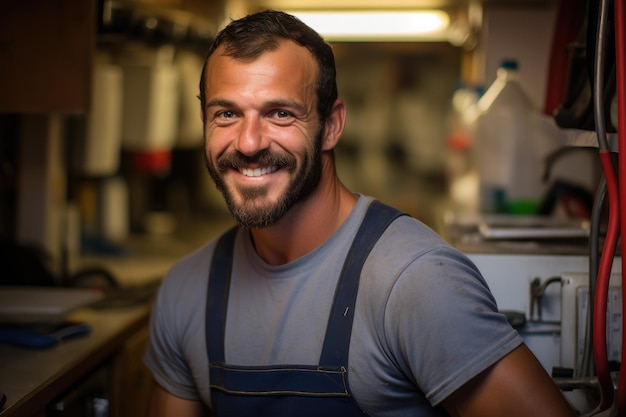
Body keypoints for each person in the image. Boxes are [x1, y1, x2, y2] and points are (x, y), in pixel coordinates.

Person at [143, 9, 576, 417]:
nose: (249, 142)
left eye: (280, 113)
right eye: (226, 114)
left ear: (331, 125)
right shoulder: (186, 292)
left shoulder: (415, 283)